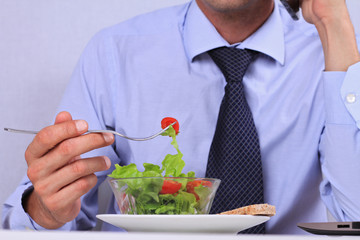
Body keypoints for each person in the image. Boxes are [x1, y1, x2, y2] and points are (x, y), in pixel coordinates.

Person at [2, 0, 360, 234]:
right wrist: (46, 210)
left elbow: (354, 217)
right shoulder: (115, 52)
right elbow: (41, 218)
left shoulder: (335, 58)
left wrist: (336, 25)